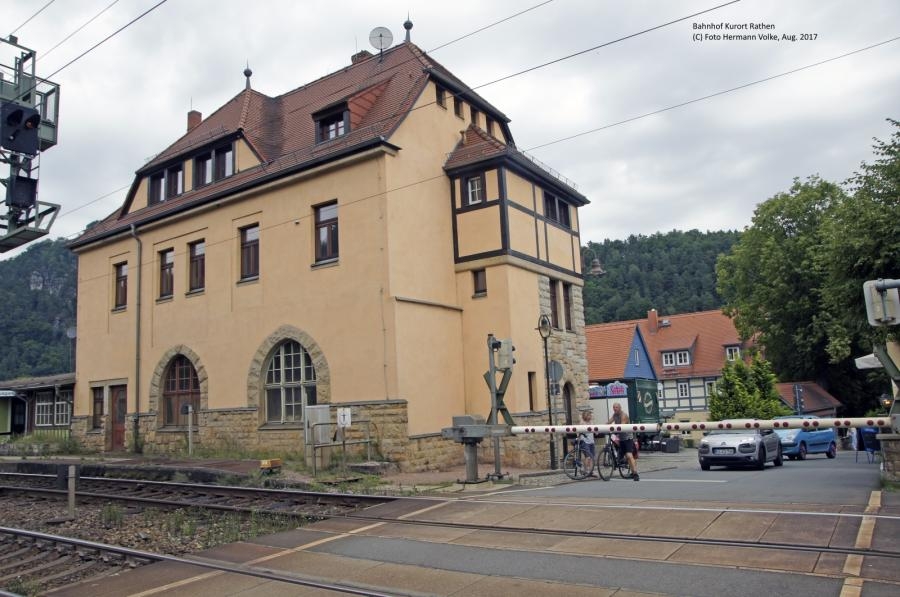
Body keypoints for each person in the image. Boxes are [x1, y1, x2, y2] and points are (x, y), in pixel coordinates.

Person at [608, 402, 639, 481]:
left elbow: (622, 425)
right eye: (614, 407)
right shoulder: (614, 415)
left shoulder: (623, 415)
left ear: (620, 408)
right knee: (626, 456)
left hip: (628, 438)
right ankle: (632, 472)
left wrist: (614, 430)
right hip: (621, 438)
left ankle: (635, 474)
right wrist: (599, 428)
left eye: (616, 407)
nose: (615, 409)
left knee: (629, 455)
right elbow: (608, 422)